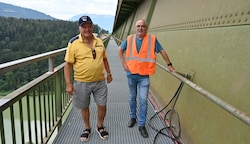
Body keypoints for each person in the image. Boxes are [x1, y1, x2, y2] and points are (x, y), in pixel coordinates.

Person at [117, 19, 175, 138]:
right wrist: (123, 63)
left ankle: (141, 124)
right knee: (132, 97)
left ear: (146, 28)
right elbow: (119, 49)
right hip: (131, 75)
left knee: (143, 99)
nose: (140, 28)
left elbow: (162, 51)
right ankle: (133, 117)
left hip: (144, 76)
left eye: (143, 26)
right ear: (135, 27)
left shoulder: (152, 40)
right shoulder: (130, 39)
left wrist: (169, 65)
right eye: (138, 26)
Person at [64, 15, 113, 142]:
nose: (87, 29)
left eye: (89, 26)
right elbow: (68, 64)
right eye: (84, 27)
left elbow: (105, 59)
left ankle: (100, 126)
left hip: (100, 81)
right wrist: (68, 84)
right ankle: (87, 128)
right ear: (79, 28)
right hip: (81, 82)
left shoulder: (99, 41)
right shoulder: (73, 43)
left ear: (92, 26)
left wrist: (109, 73)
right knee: (84, 107)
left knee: (102, 105)